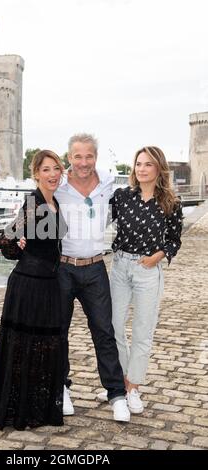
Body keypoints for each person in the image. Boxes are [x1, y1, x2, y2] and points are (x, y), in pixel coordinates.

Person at [0, 150, 67, 431]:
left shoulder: (53, 201)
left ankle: (33, 409)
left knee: (41, 347)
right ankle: (20, 413)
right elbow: (5, 240)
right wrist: (15, 242)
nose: (53, 174)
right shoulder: (33, 202)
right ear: (36, 174)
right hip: (29, 284)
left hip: (47, 285)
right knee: (25, 348)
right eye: (46, 169)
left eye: (56, 168)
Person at [97, 146, 183, 414]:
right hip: (120, 265)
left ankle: (133, 387)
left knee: (143, 331)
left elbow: (174, 240)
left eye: (148, 164)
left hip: (148, 270)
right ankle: (118, 385)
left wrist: (158, 256)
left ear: (159, 168)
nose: (141, 168)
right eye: (138, 163)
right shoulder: (122, 197)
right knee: (114, 327)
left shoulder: (170, 202)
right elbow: (94, 218)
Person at [55, 133, 130, 422]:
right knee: (58, 332)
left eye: (88, 156)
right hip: (62, 268)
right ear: (69, 158)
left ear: (95, 157)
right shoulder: (58, 184)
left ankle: (116, 394)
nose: (83, 162)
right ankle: (60, 388)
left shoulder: (109, 183)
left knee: (104, 332)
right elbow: (37, 209)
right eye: (77, 156)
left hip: (95, 268)